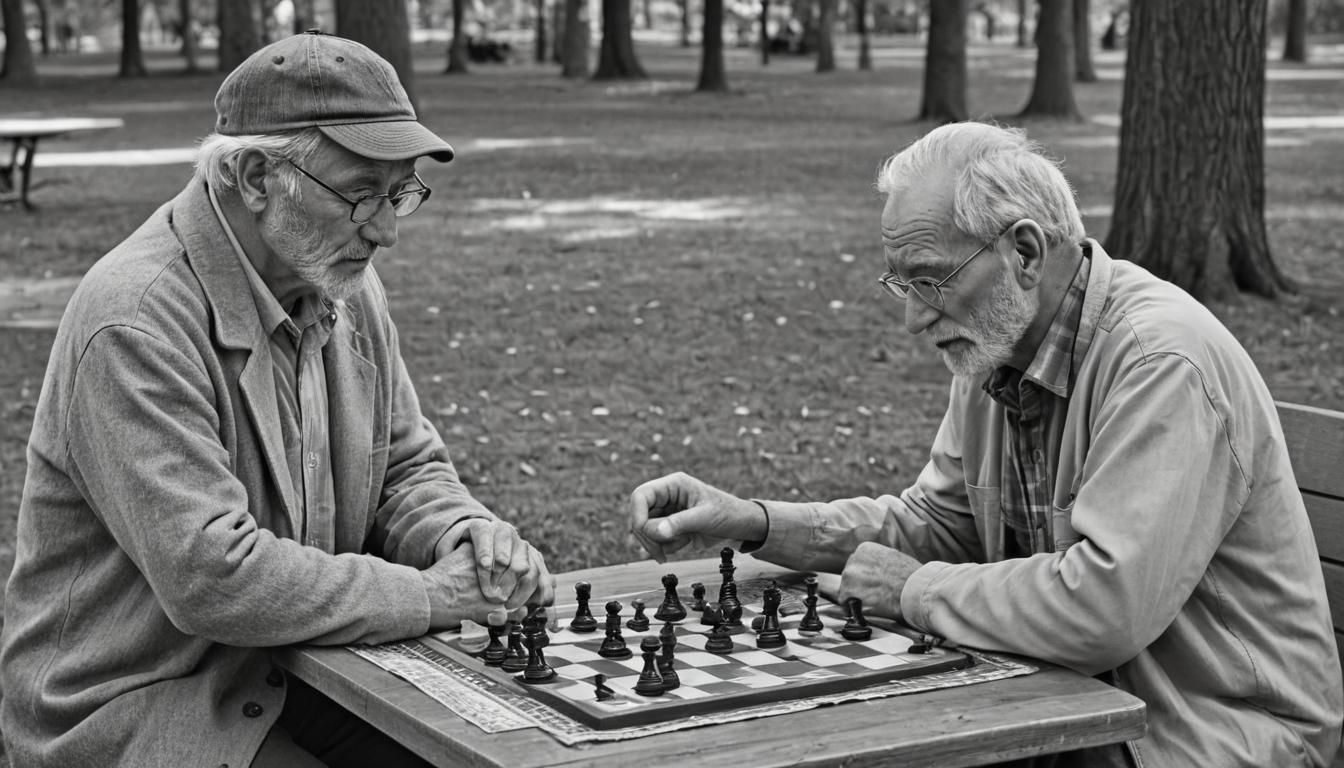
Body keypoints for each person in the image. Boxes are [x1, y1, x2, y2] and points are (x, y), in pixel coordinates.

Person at [629, 122, 1343, 767]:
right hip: (1075, 704)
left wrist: (914, 591)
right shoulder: (995, 345)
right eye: (899, 284)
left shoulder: (1160, 362)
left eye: (930, 280)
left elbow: (1105, 608)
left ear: (1024, 251)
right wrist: (754, 521)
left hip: (1211, 731)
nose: (913, 319)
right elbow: (937, 527)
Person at [1, 32, 555, 768]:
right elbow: (215, 577)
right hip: (135, 701)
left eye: (400, 194)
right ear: (256, 176)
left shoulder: (337, 276)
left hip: (305, 669)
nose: (385, 230)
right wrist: (432, 596)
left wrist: (462, 535)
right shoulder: (135, 319)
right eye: (360, 193)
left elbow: (405, 467)